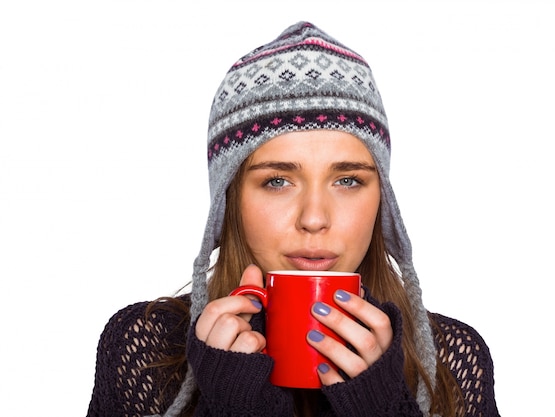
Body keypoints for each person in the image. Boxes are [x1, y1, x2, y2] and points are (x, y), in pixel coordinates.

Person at [87, 22, 500, 417]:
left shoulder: (453, 359)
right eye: (278, 180)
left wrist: (384, 407)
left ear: (383, 202)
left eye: (349, 180)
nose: (315, 219)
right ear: (229, 200)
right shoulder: (145, 348)